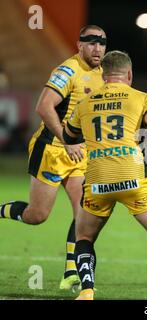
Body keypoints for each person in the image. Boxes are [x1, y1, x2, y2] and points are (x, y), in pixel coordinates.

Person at [62, 50, 147, 300]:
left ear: (103, 76)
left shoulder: (84, 103)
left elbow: (69, 136)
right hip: (133, 179)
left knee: (84, 236)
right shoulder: (142, 98)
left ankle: (86, 290)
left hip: (97, 180)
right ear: (129, 74)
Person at [0, 25, 107, 290]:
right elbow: (43, 107)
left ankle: (71, 271)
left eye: (102, 43)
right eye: (91, 42)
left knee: (84, 213)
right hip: (51, 148)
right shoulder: (67, 70)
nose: (97, 48)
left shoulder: (102, 75)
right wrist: (66, 139)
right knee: (37, 215)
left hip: (79, 153)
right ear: (79, 45)